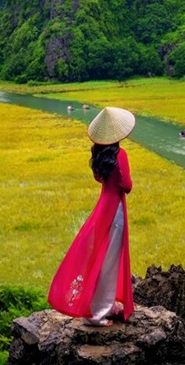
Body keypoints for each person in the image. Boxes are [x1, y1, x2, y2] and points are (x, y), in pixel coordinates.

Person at [48, 106, 136, 327]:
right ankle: (96, 313)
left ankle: (102, 305)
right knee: (110, 259)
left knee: (100, 256)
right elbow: (127, 186)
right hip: (115, 210)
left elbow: (100, 179)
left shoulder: (98, 155)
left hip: (101, 209)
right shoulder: (120, 154)